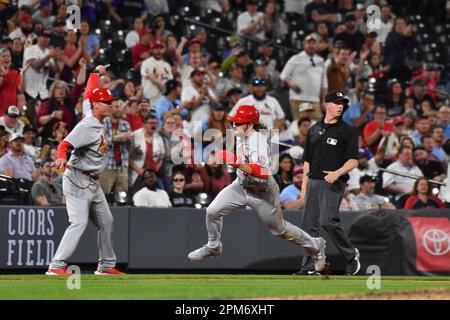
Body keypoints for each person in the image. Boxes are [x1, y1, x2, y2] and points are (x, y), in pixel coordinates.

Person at [187, 105, 328, 274]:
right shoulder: (241, 136)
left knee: (279, 229)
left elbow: (262, 172)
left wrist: (235, 162)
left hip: (262, 191)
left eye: (239, 123)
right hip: (241, 186)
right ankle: (213, 246)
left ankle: (315, 246)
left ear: (251, 125)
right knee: (212, 211)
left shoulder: (257, 141)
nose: (234, 126)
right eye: (234, 122)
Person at [46, 64, 124, 276]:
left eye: (111, 102)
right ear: (97, 106)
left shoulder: (92, 110)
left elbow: (89, 93)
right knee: (78, 222)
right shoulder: (88, 124)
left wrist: (95, 73)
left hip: (92, 182)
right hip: (78, 179)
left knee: (107, 221)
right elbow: (64, 144)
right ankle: (56, 265)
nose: (110, 105)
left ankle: (106, 266)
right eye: (106, 103)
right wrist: (61, 157)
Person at [296, 90, 360, 276]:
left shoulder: (347, 131)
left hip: (333, 182)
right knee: (309, 226)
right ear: (326, 105)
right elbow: (307, 160)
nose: (340, 106)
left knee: (328, 222)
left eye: (342, 103)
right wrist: (303, 188)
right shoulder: (314, 129)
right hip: (313, 181)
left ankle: (350, 255)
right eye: (336, 102)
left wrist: (337, 173)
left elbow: (354, 160)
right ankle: (310, 267)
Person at [280, 33, 327, 121]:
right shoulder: (296, 58)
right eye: (309, 43)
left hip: (314, 100)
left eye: (313, 43)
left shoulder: (320, 61)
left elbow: (324, 83)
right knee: (300, 125)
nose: (311, 45)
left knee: (317, 127)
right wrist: (291, 83)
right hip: (298, 99)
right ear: (304, 45)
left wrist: (324, 100)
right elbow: (283, 75)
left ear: (317, 45)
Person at [99, 100, 132, 194]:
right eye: (116, 107)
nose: (119, 109)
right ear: (110, 108)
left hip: (122, 166)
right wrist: (116, 138)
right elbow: (101, 144)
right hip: (107, 165)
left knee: (122, 197)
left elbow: (129, 146)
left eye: (120, 107)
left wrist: (129, 140)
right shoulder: (103, 122)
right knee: (104, 195)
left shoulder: (125, 124)